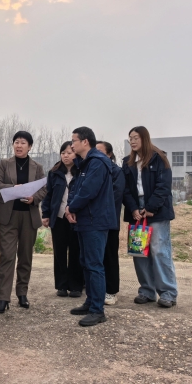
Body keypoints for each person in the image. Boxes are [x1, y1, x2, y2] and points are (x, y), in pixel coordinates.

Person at [65, 127, 117, 327]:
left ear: (85, 141)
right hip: (85, 219)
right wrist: (70, 208)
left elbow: (88, 191)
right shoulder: (84, 163)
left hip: (96, 220)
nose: (72, 145)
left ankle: (98, 310)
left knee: (95, 265)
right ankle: (90, 302)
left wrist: (72, 207)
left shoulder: (97, 162)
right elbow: (76, 188)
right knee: (86, 262)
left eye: (74, 141)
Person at [122, 126, 178, 308]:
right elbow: (125, 189)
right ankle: (146, 291)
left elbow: (164, 185)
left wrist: (151, 207)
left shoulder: (158, 158)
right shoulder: (128, 162)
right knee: (139, 250)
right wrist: (133, 209)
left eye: (136, 137)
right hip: (136, 210)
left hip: (157, 209)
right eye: (130, 138)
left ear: (144, 138)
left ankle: (168, 293)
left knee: (159, 250)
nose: (132, 141)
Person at [0, 131, 47, 313]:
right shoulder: (5, 163)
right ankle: (3, 298)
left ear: (29, 146)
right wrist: (12, 188)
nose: (19, 145)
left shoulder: (37, 167)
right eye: (16, 142)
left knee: (25, 256)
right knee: (7, 256)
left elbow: (44, 188)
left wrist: (34, 198)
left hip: (29, 216)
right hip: (8, 216)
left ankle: (22, 293)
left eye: (23, 142)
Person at [41, 142, 83, 298]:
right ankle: (61, 285)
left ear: (76, 154)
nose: (65, 156)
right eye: (63, 153)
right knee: (59, 252)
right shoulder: (54, 172)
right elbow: (48, 195)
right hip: (58, 217)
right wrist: (46, 214)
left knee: (76, 251)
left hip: (76, 219)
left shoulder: (82, 171)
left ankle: (76, 286)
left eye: (69, 153)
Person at [96, 141, 125, 306]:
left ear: (109, 155)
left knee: (109, 256)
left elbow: (115, 195)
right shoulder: (92, 170)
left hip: (109, 221)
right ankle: (97, 288)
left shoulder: (116, 171)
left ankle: (111, 291)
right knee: (95, 257)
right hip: (93, 221)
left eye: (101, 152)